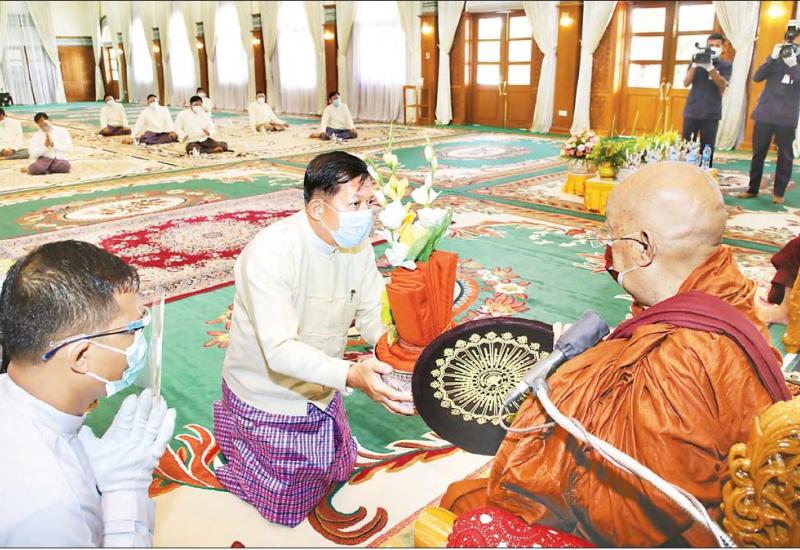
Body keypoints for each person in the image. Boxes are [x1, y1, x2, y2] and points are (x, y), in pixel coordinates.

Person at [440, 162, 788, 547]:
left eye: (611, 236)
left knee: (467, 510)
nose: (608, 252)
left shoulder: (676, 360)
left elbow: (625, 521)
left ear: (643, 248)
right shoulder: (732, 297)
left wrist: (571, 381)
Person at [214, 151, 414, 527]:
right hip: (269, 392)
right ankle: (242, 456)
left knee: (337, 467)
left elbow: (372, 311)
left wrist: (397, 354)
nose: (365, 215)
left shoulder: (355, 245)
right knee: (288, 503)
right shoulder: (270, 253)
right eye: (354, 204)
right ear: (318, 209)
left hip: (323, 381)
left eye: (368, 203)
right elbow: (279, 351)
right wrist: (351, 375)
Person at [0, 240, 176, 546]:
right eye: (132, 329)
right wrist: (125, 489)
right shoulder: (55, 512)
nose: (140, 339)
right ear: (82, 356)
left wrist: (92, 470)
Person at [738, 31, 800, 205]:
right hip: (765, 113)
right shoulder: (775, 59)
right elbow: (757, 77)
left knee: (785, 155)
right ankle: (752, 189)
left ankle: (779, 193)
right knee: (758, 153)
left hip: (787, 116)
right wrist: (772, 58)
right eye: (792, 43)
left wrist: (794, 65)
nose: (793, 47)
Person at [682, 33, 731, 168]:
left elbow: (722, 85)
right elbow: (686, 83)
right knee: (686, 146)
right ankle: (684, 173)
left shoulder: (725, 65)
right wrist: (695, 65)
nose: (713, 48)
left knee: (707, 148)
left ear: (723, 48)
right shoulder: (696, 60)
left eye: (717, 46)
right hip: (692, 110)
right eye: (710, 45)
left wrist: (710, 68)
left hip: (711, 112)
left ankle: (705, 174)